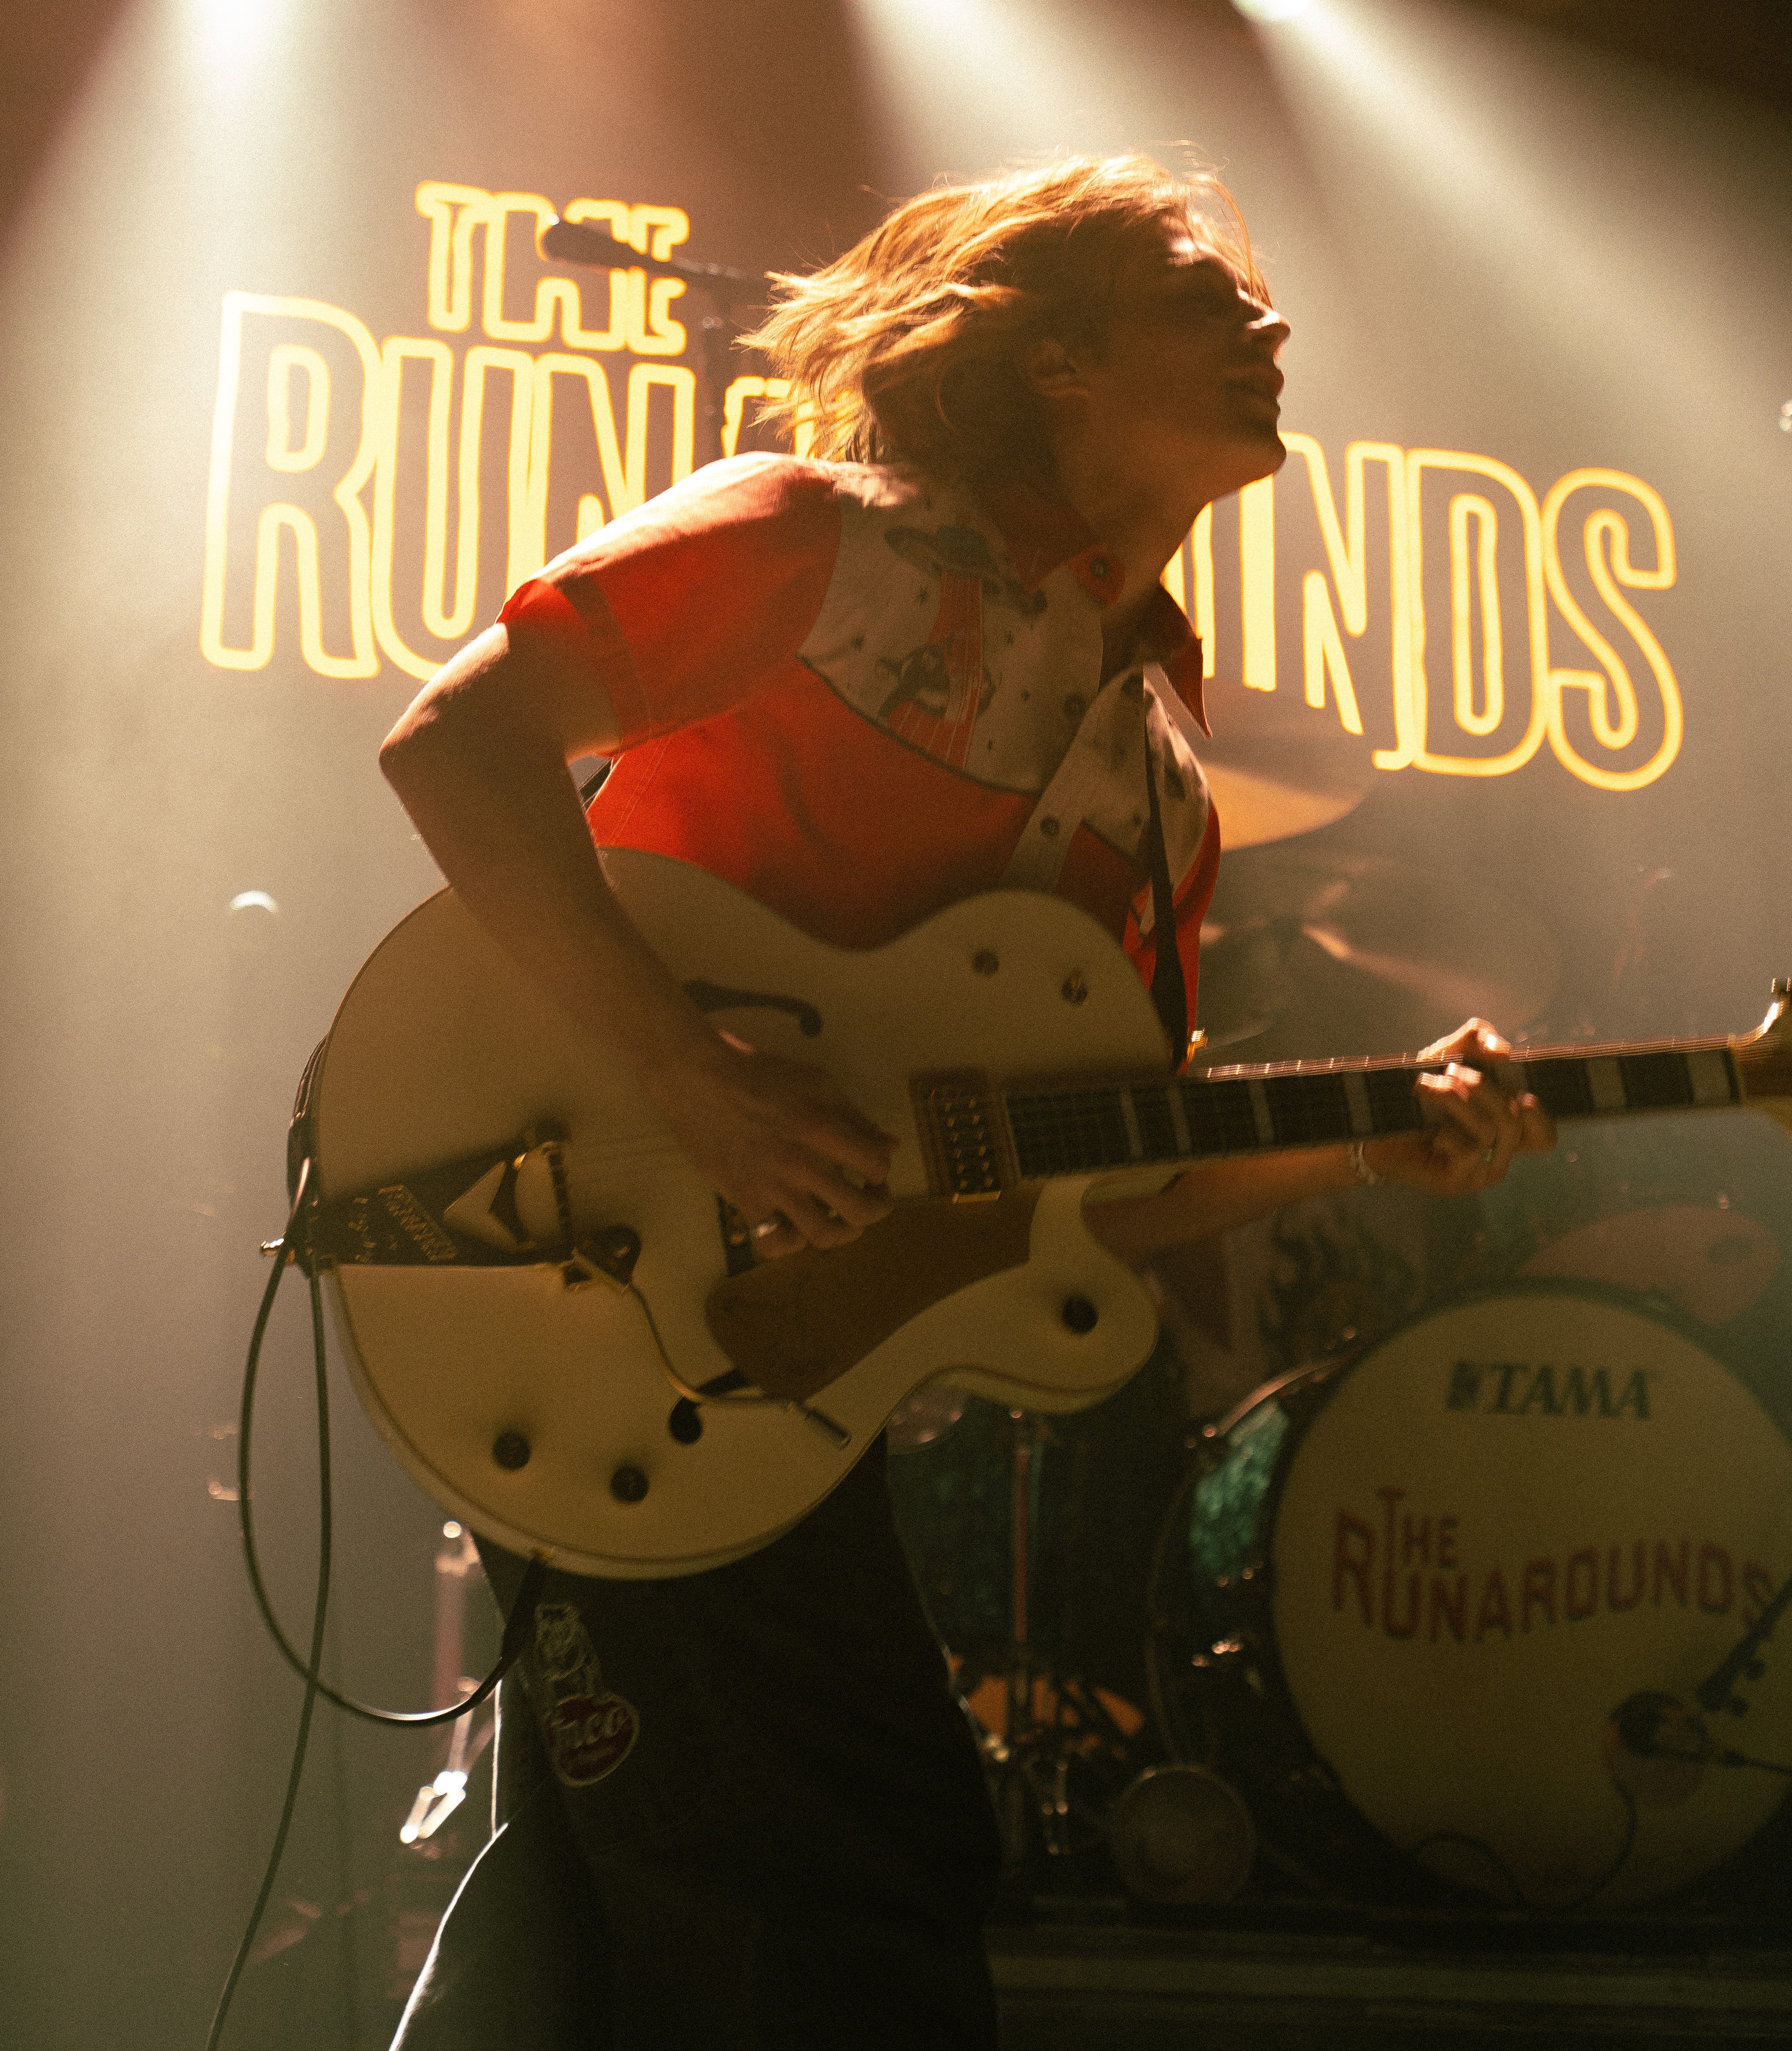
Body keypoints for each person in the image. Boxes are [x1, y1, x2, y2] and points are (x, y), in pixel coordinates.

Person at [378, 155, 1555, 2050]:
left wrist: (1363, 1138)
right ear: (1058, 360)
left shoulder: (1158, 774)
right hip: (565, 1265)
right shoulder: (815, 538)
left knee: (614, 1913)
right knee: (843, 1877)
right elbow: (455, 741)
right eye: (1203, 294)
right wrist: (698, 1078)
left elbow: (1067, 1199)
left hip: (757, 1375)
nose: (1271, 324)